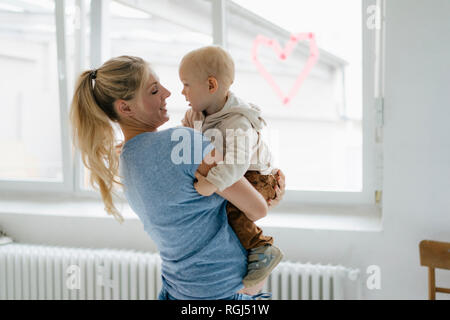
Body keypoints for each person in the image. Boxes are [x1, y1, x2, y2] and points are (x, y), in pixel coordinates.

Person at [69, 55, 286, 300]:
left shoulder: (125, 160)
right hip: (222, 288)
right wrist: (265, 191)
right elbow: (256, 209)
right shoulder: (182, 143)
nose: (168, 93)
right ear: (125, 108)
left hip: (181, 289)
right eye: (153, 91)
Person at [179, 46, 283, 287]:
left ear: (211, 86)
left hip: (257, 174)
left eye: (186, 84)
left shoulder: (238, 122)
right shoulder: (197, 114)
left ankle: (262, 247)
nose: (181, 92)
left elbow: (237, 162)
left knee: (231, 210)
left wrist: (213, 182)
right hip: (233, 170)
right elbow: (182, 137)